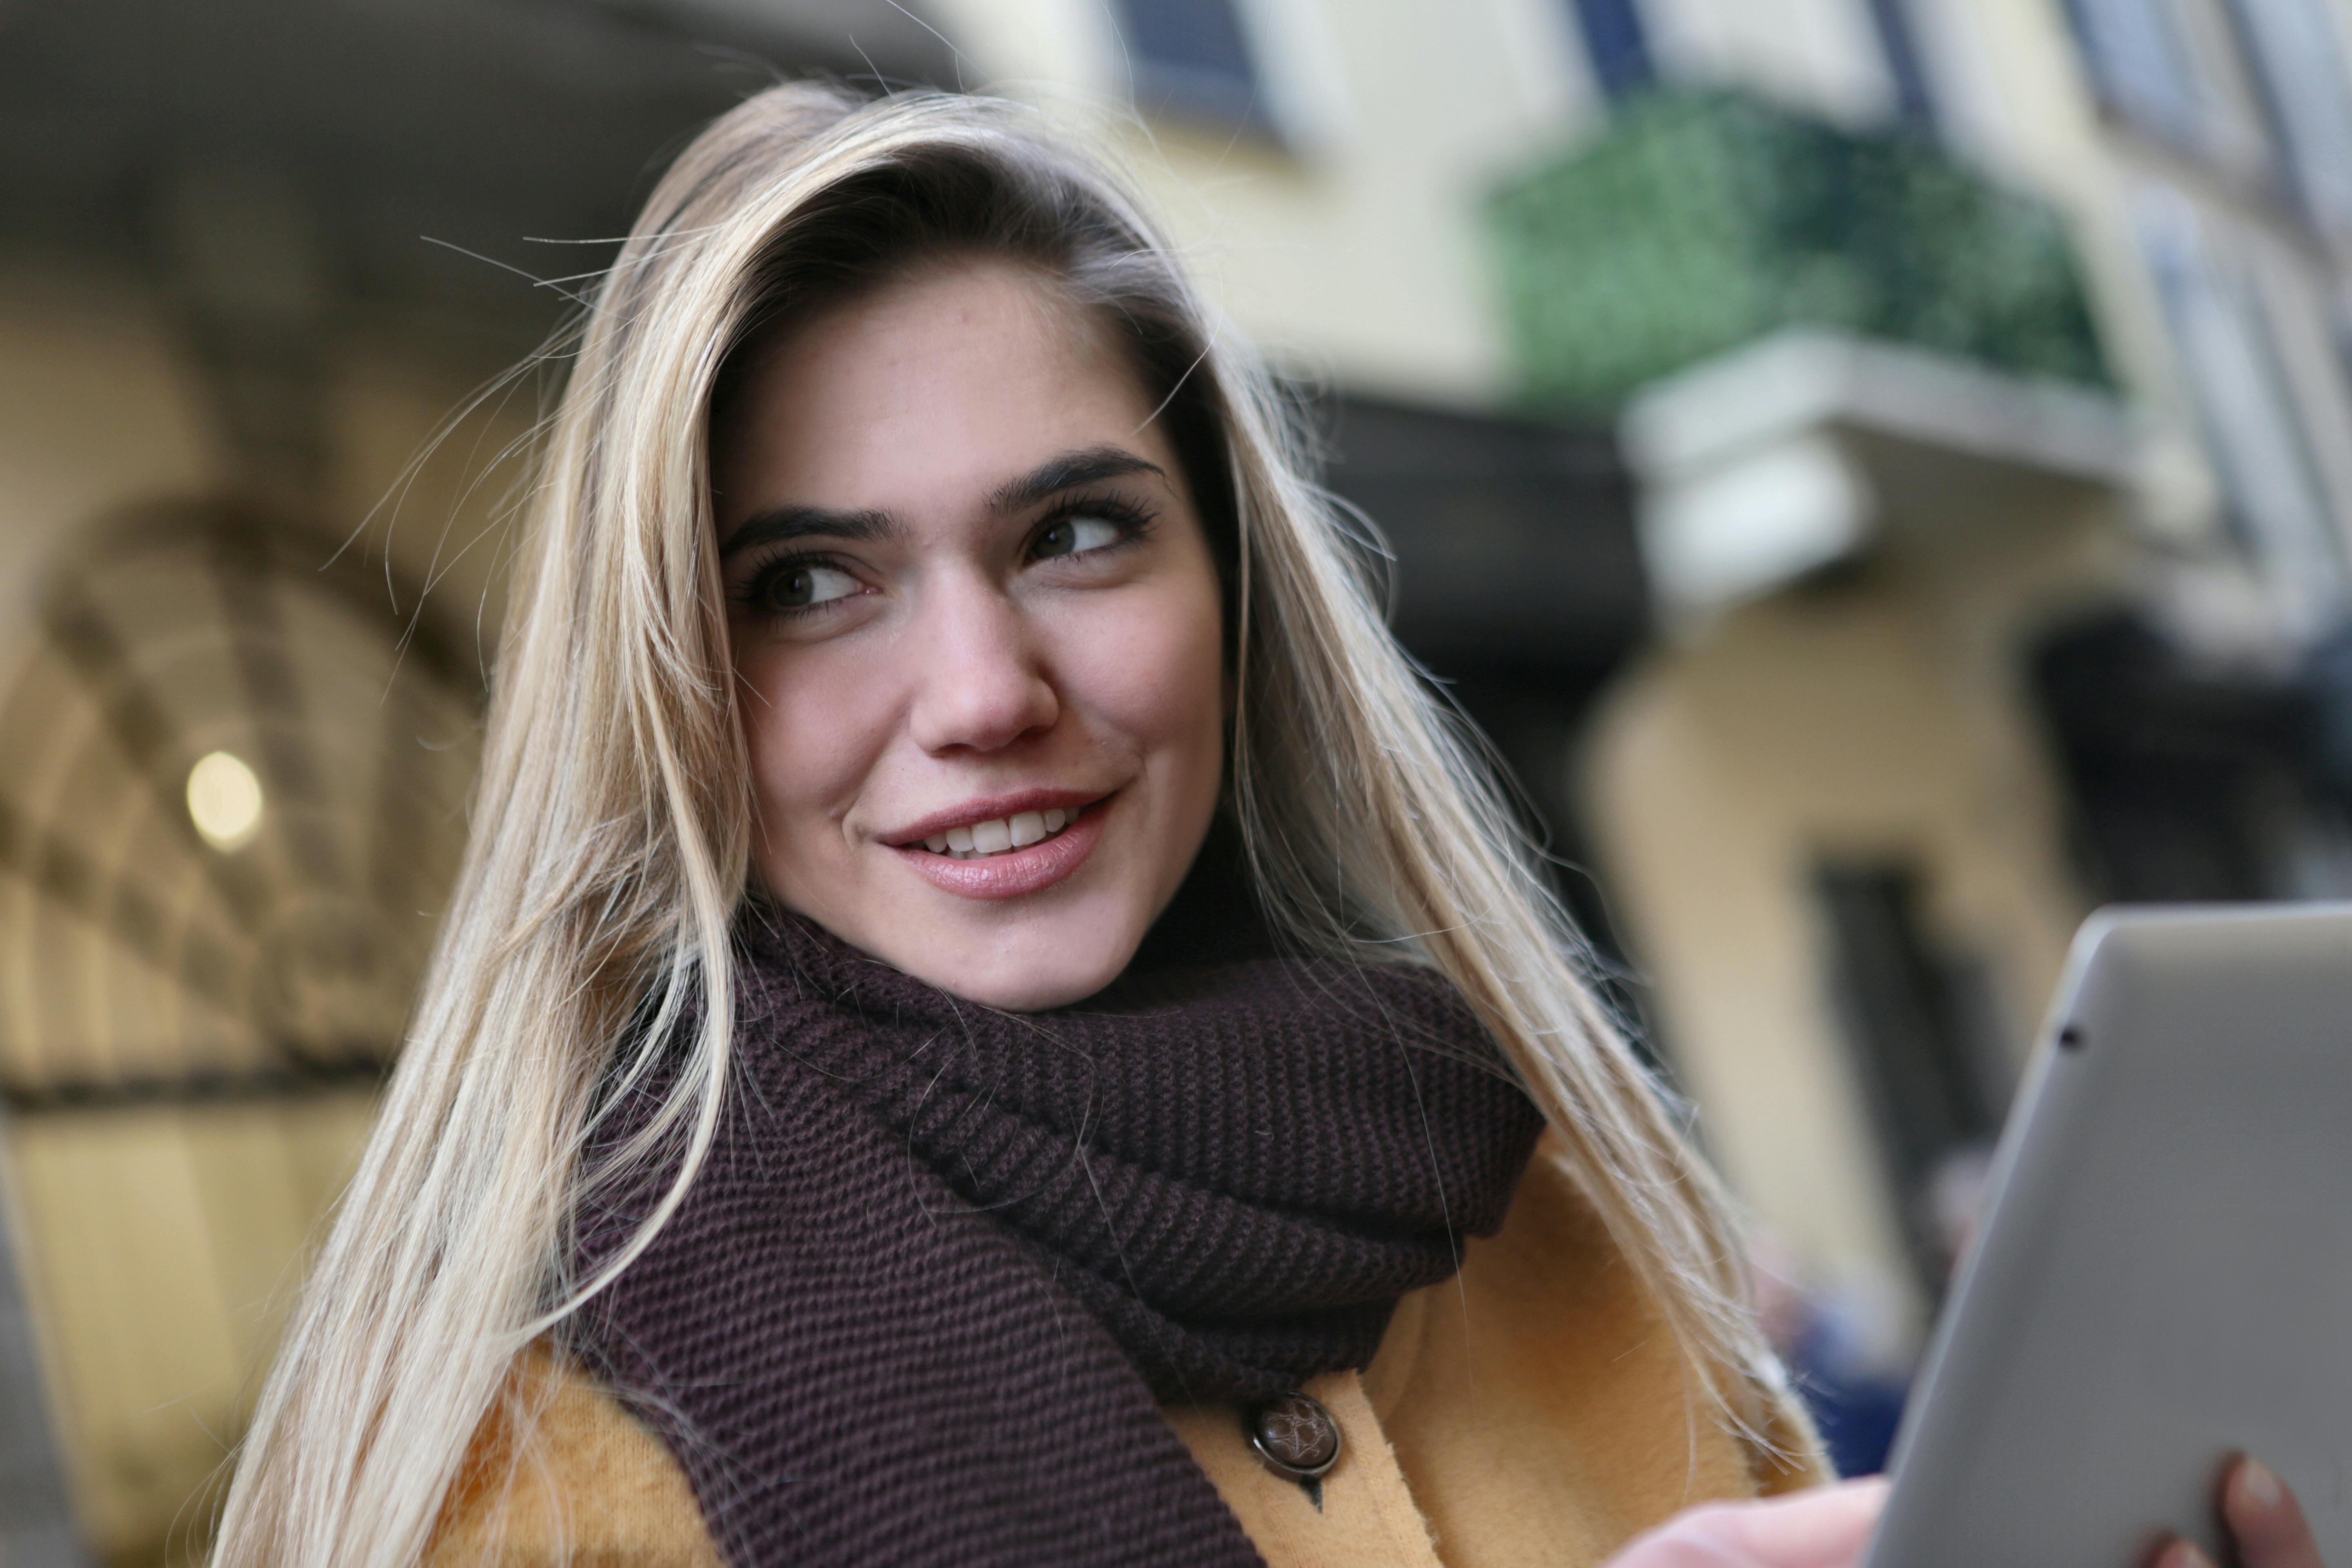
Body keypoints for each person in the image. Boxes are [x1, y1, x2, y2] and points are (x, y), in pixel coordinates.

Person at [207, 83, 2323, 1568]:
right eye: (813, 582)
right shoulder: (521, 1478)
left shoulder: (1561, 1223)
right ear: (674, 676)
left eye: (1079, 534)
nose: (982, 696)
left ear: (1231, 586)